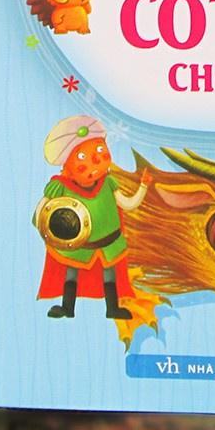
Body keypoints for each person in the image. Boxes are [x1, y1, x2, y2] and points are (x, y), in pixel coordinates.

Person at [35, 115, 148, 319]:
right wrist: (52, 230)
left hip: (109, 243)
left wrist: (143, 187)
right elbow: (41, 214)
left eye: (100, 150)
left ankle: (112, 308)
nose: (95, 160)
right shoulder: (61, 187)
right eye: (82, 156)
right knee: (71, 273)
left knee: (110, 275)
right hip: (78, 246)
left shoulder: (108, 183)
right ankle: (67, 308)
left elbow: (128, 204)